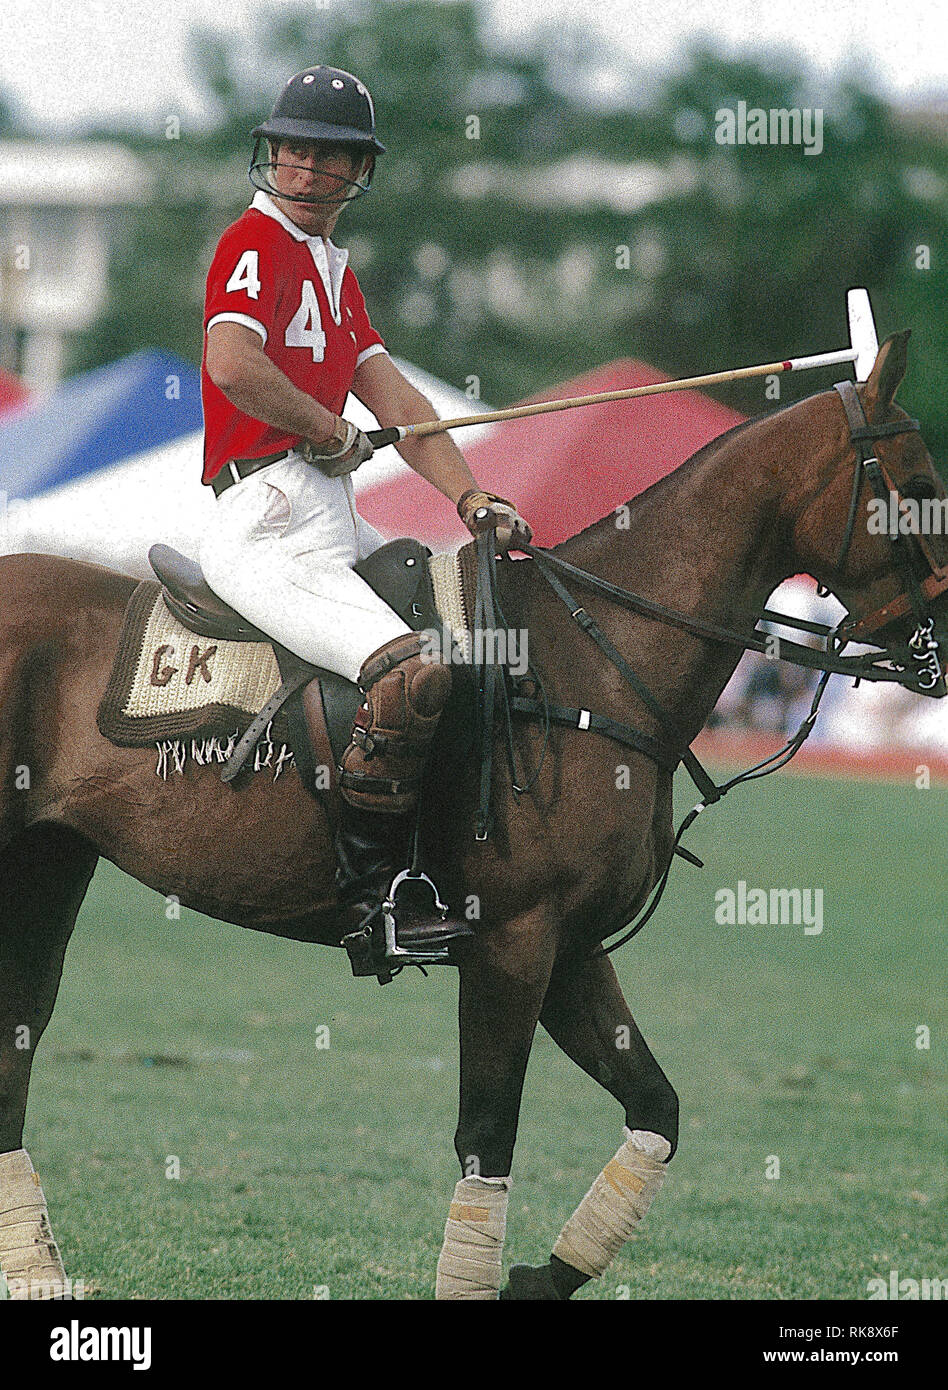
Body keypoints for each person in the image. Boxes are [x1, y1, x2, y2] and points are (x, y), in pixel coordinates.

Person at [198, 65, 532, 947]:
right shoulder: (252, 243)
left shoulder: (335, 274)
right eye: (292, 150)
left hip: (331, 520)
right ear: (270, 155)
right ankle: (372, 898)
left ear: (357, 172)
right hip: (266, 522)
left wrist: (472, 497)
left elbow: (406, 413)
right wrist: (320, 427)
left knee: (468, 636)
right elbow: (232, 361)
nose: (304, 169)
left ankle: (458, 853)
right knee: (409, 671)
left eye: (326, 155)